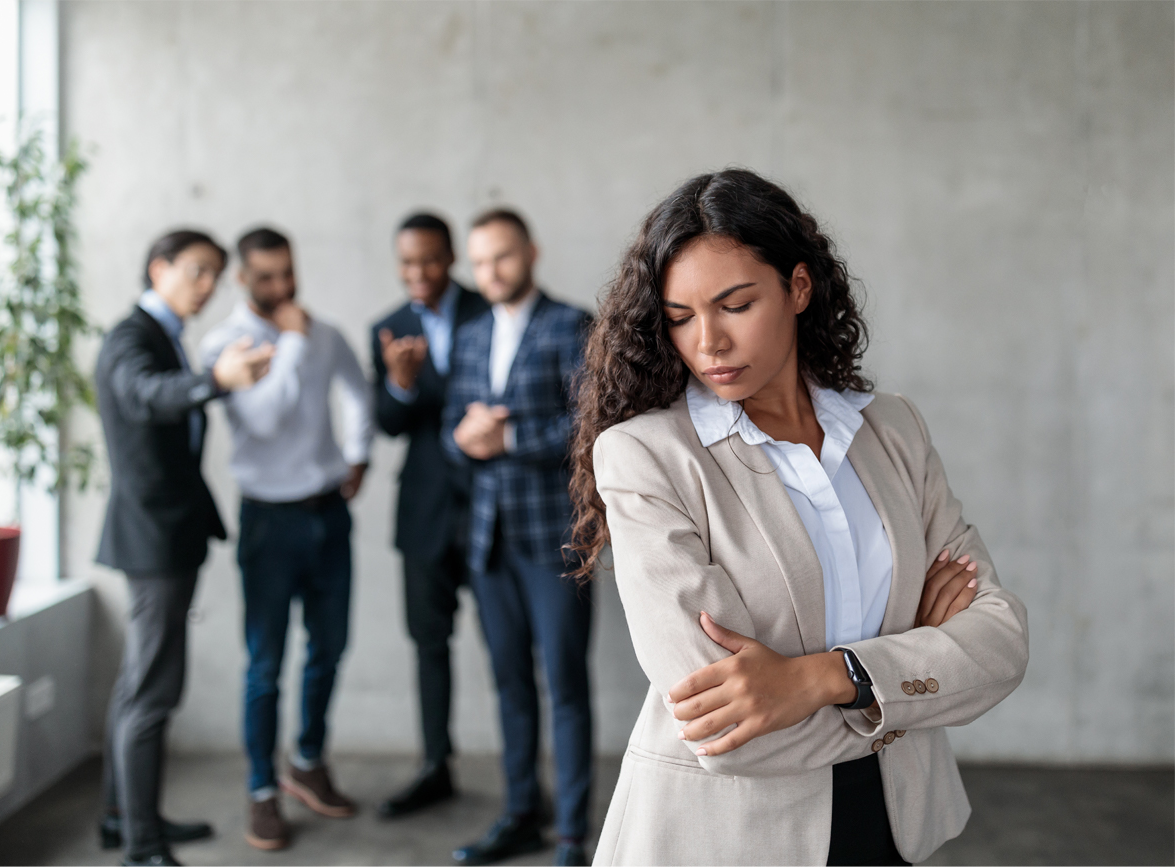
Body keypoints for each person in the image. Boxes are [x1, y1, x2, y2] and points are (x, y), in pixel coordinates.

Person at [567, 169, 1030, 866]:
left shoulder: (893, 429)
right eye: (681, 316)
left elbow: (999, 643)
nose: (709, 343)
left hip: (895, 822)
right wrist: (911, 680)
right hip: (724, 838)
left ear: (799, 288)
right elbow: (727, 728)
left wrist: (823, 677)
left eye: (735, 304)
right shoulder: (644, 456)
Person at [96, 229, 275, 867]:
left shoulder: (163, 334)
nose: (206, 286)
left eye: (214, 275)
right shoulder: (130, 338)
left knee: (138, 686)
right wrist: (214, 379)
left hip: (166, 536)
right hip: (153, 541)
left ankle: (124, 819)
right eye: (197, 271)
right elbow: (148, 394)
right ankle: (142, 846)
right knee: (153, 693)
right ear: (158, 268)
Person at [198, 227, 374, 851]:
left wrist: (358, 455)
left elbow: (357, 390)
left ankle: (306, 762)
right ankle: (261, 792)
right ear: (244, 280)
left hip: (329, 514)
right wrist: (293, 340)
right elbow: (266, 418)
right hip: (268, 522)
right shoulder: (225, 346)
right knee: (265, 665)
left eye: (287, 273)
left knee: (329, 648)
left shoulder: (324, 334)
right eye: (267, 277)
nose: (282, 286)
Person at [442, 209, 595, 867]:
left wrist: (506, 438)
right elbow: (455, 427)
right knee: (509, 684)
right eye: (479, 262)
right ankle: (520, 815)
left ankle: (571, 834)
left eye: (501, 257)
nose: (490, 272)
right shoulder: (471, 334)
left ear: (530, 252)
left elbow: (592, 427)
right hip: (489, 541)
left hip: (555, 538)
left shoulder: (571, 325)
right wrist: (463, 438)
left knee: (563, 684)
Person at [369, 213, 490, 818]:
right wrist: (399, 386)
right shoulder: (388, 328)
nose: (418, 274)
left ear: (450, 259)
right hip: (423, 515)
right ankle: (434, 764)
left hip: (493, 509)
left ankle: (523, 779)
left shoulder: (488, 309)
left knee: (509, 649)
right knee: (428, 645)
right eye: (407, 263)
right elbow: (387, 425)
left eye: (430, 261)